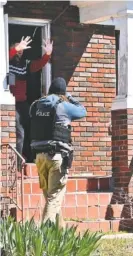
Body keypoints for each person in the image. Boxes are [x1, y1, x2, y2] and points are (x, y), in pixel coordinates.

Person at [30, 77, 86, 226]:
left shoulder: (35, 105)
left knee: (51, 198)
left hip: (39, 156)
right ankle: (45, 238)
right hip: (56, 156)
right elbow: (82, 111)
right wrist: (70, 98)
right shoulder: (64, 105)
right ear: (63, 92)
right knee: (54, 197)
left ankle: (60, 232)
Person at [9, 36, 53, 162]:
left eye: (21, 50)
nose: (20, 52)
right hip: (12, 103)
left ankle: (28, 157)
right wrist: (16, 48)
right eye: (17, 49)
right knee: (20, 132)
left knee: (30, 129)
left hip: (23, 103)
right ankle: (18, 163)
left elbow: (39, 64)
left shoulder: (25, 64)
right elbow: (7, 56)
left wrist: (47, 54)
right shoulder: (6, 62)